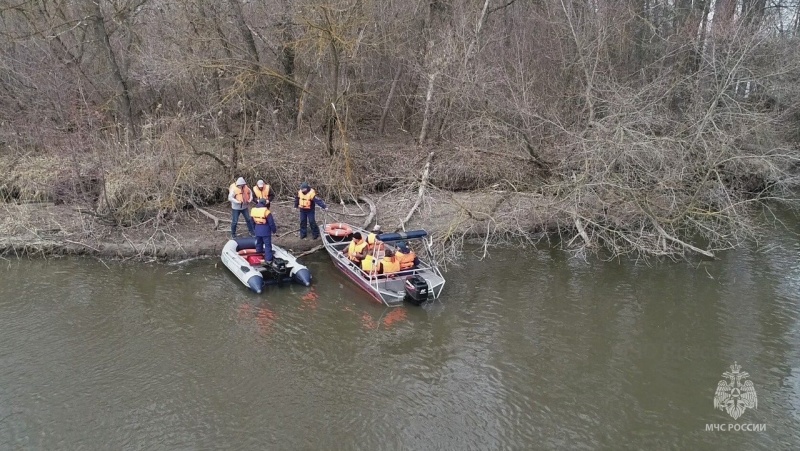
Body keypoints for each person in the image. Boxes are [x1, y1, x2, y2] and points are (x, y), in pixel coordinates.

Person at [250, 198, 277, 263]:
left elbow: (252, 221)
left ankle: (259, 254)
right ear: (264, 203)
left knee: (259, 243)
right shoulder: (266, 211)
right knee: (267, 245)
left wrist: (255, 228)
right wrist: (274, 230)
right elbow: (271, 223)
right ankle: (268, 259)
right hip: (266, 230)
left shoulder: (253, 210)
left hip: (257, 229)